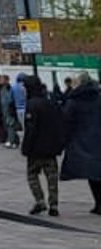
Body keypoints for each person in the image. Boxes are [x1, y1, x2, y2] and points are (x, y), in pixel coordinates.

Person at [21, 77, 66, 216]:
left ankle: (40, 200)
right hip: (50, 148)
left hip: (36, 149)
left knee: (32, 174)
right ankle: (54, 204)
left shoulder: (32, 104)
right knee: (51, 176)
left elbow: (31, 128)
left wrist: (26, 147)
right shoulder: (51, 103)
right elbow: (60, 124)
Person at [59, 72, 101, 219]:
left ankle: (98, 203)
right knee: (97, 172)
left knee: (92, 173)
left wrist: (62, 142)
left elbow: (66, 121)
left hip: (82, 140)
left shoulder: (74, 101)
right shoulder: (98, 97)